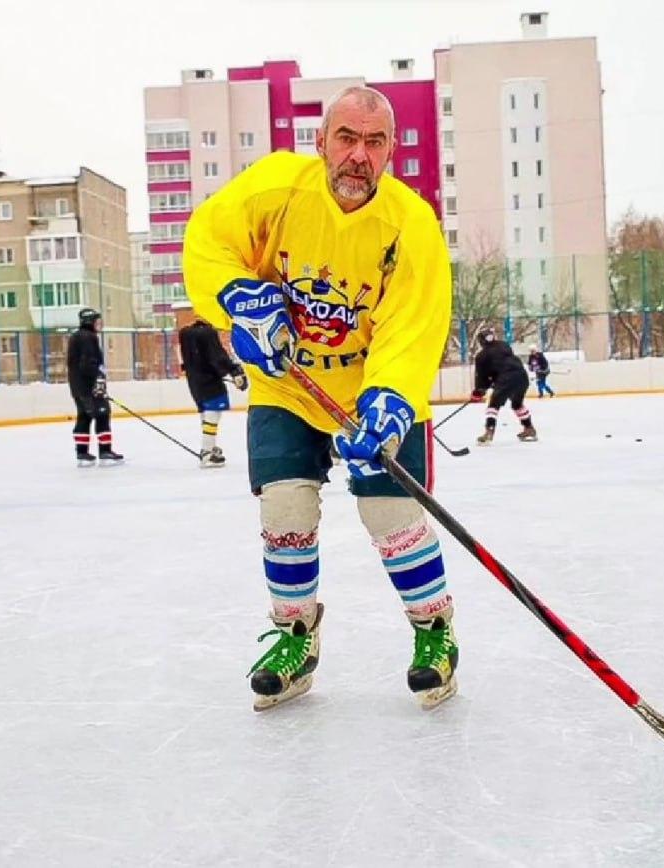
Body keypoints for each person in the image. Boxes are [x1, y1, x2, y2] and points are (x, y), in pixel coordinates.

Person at [183, 86, 458, 711]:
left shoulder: (411, 226)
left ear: (390, 151)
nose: (358, 156)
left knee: (390, 518)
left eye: (375, 142)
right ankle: (295, 637)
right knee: (284, 512)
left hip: (372, 392)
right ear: (320, 142)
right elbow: (208, 239)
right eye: (347, 138)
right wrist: (237, 297)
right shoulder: (276, 188)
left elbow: (411, 328)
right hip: (289, 385)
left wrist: (386, 401)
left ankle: (435, 632)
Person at [178, 317, 248, 468]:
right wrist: (234, 371)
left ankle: (209, 446)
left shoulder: (185, 333)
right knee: (213, 412)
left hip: (194, 381)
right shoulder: (207, 333)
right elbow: (217, 356)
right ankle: (207, 451)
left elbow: (184, 360)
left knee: (207, 411)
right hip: (210, 380)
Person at [66, 308, 123, 467]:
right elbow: (88, 363)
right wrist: (97, 380)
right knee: (102, 414)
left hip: (78, 387)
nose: (100, 324)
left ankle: (82, 453)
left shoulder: (76, 337)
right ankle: (105, 451)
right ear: (90, 322)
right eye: (97, 321)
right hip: (89, 387)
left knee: (84, 416)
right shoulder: (88, 338)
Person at [472, 327, 536, 444]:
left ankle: (489, 432)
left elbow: (482, 376)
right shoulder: (504, 345)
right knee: (517, 404)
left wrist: (479, 391)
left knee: (493, 405)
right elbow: (501, 363)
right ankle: (529, 429)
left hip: (506, 379)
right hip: (522, 377)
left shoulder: (481, 356)